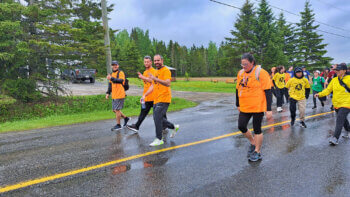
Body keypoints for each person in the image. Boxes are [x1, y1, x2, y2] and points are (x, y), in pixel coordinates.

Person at [236, 53, 272, 162]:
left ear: (252, 62)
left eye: (245, 64)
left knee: (257, 129)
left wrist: (268, 109)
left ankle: (257, 151)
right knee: (241, 126)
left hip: (258, 106)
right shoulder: (241, 73)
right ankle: (252, 142)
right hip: (245, 105)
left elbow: (268, 91)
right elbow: (237, 89)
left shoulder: (261, 72)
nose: (243, 66)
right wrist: (237, 103)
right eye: (242, 64)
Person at [142, 54, 179, 146]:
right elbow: (153, 86)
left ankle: (159, 139)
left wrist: (155, 79)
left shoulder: (166, 70)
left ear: (162, 60)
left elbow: (167, 83)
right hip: (156, 99)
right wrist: (145, 95)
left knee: (157, 117)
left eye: (158, 60)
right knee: (158, 118)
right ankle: (173, 127)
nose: (156, 62)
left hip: (164, 98)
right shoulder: (155, 72)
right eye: (155, 61)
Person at [315, 63, 350, 145]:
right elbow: (328, 90)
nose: (336, 71)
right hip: (337, 103)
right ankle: (348, 130)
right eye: (336, 70)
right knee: (343, 119)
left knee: (339, 119)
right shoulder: (334, 80)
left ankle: (335, 138)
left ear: (344, 71)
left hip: (347, 103)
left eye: (339, 70)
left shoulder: (349, 79)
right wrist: (319, 94)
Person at [126, 56, 157, 133]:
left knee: (159, 115)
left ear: (151, 62)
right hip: (146, 97)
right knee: (143, 113)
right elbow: (146, 84)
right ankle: (136, 126)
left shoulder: (153, 71)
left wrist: (143, 77)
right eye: (145, 62)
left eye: (148, 62)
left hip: (154, 97)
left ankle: (166, 125)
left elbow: (153, 81)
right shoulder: (144, 72)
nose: (146, 63)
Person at [106, 61, 130, 131]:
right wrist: (108, 93)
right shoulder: (111, 74)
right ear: (111, 66)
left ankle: (118, 125)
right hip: (114, 95)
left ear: (118, 66)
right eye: (113, 65)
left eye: (115, 65)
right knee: (114, 110)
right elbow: (110, 85)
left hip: (120, 94)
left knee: (117, 110)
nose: (114, 66)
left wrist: (111, 78)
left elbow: (121, 80)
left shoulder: (120, 72)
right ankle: (126, 118)